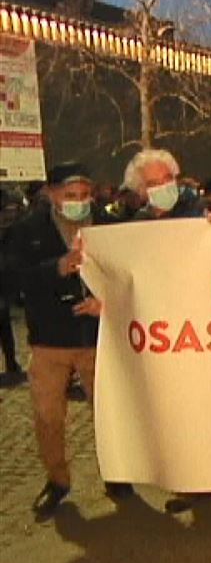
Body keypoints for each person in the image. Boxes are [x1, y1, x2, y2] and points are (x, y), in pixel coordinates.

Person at [7, 162, 134, 520]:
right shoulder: (28, 231)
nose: (79, 202)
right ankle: (57, 480)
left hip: (97, 338)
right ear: (51, 194)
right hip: (50, 341)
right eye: (70, 196)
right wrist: (56, 268)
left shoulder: (107, 226)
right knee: (48, 415)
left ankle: (117, 474)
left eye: (84, 195)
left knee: (109, 412)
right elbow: (14, 278)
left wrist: (105, 303)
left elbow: (126, 273)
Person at [124, 149, 204, 220]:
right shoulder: (140, 223)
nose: (164, 186)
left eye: (167, 179)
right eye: (154, 183)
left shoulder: (197, 209)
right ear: (141, 191)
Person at [0, 188, 27, 386]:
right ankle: (11, 365)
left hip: (5, 284)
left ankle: (12, 364)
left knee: (5, 326)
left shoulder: (12, 229)